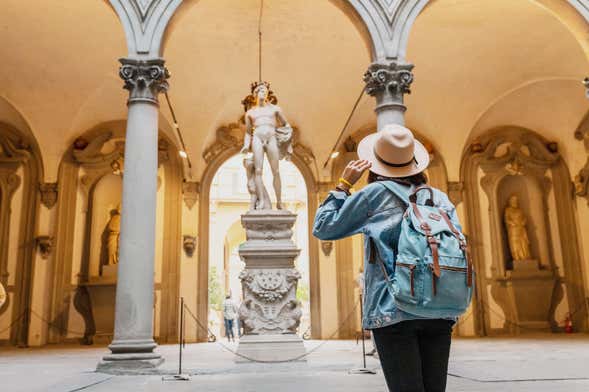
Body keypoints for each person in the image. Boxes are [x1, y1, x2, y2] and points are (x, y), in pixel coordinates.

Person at [313, 124, 457, 392]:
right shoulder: (440, 199)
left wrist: (343, 185)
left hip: (393, 310)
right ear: (415, 163)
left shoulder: (374, 195)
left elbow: (323, 227)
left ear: (377, 164)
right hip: (441, 307)